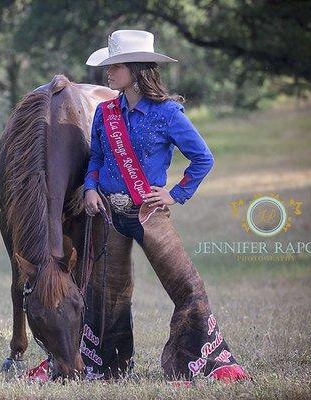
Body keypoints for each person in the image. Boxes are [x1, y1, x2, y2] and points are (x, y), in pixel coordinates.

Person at [82, 29, 250, 385]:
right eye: (108, 67)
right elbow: (96, 156)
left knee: (186, 287)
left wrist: (176, 194)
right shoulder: (104, 112)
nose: (108, 74)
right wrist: (91, 187)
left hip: (149, 214)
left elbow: (202, 158)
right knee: (105, 296)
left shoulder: (168, 113)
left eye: (116, 66)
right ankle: (108, 367)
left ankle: (199, 362)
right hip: (109, 216)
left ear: (138, 69)